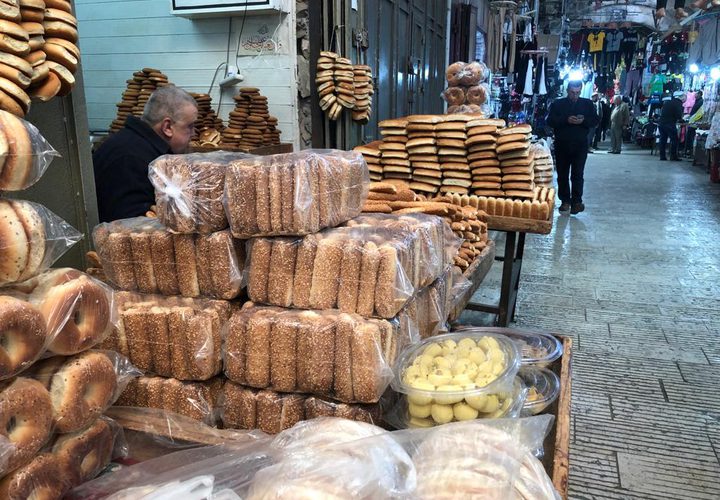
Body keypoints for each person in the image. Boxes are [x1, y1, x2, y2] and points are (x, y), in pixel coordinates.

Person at [93, 86, 198, 222]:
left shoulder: (139, 145)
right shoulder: (131, 158)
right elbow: (131, 228)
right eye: (189, 126)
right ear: (167, 127)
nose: (194, 133)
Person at [547, 80, 600, 215]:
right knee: (562, 174)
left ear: (580, 91)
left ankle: (577, 201)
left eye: (577, 93)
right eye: (572, 93)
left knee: (577, 174)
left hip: (580, 145)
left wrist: (583, 121)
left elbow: (595, 121)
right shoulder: (558, 104)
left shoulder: (587, 104)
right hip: (562, 144)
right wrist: (566, 120)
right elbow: (550, 121)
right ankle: (565, 200)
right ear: (567, 91)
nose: (574, 96)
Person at [658, 91, 685, 161]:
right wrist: (681, 119)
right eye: (684, 96)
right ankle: (673, 156)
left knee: (663, 140)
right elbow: (678, 114)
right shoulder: (678, 103)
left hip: (662, 123)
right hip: (669, 124)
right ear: (680, 97)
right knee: (674, 140)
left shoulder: (669, 102)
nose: (685, 98)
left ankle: (662, 156)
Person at [684, 90, 703, 156]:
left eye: (696, 93)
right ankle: (688, 151)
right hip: (692, 121)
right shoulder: (697, 101)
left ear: (700, 94)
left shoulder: (700, 102)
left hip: (695, 122)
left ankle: (689, 151)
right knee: (689, 136)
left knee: (691, 136)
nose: (695, 95)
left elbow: (698, 113)